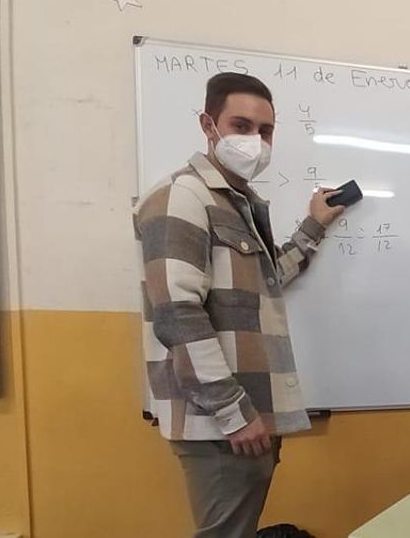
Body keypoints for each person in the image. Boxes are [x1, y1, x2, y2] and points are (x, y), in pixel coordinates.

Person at [134, 72, 345, 538]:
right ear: (209, 126)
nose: (256, 140)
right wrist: (234, 412)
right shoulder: (180, 199)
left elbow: (268, 278)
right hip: (224, 423)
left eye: (265, 130)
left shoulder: (237, 204)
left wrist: (314, 226)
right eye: (241, 126)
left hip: (249, 418)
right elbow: (177, 315)